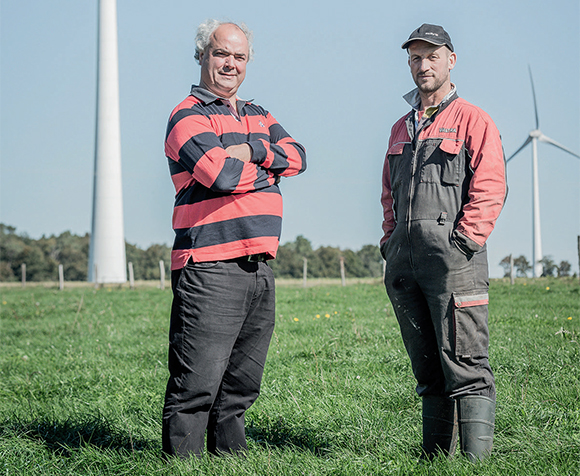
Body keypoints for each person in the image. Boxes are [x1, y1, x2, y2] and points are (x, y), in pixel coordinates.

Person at [162, 19, 306, 458]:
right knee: (198, 381)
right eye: (221, 53)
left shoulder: (260, 114)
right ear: (202, 55)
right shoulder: (187, 116)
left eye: (239, 57)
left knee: (243, 381)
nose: (230, 63)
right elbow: (219, 174)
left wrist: (254, 151)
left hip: (259, 266)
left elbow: (299, 157)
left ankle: (230, 460)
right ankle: (183, 464)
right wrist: (270, 173)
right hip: (209, 265)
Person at [380, 24, 507, 462]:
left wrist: (464, 242)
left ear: (451, 60)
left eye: (432, 56)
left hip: (455, 263)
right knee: (428, 369)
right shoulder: (400, 127)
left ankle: (475, 465)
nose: (423, 65)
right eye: (415, 57)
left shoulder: (474, 119)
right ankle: (432, 462)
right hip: (405, 264)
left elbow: (490, 187)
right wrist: (389, 240)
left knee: (466, 365)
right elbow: (387, 193)